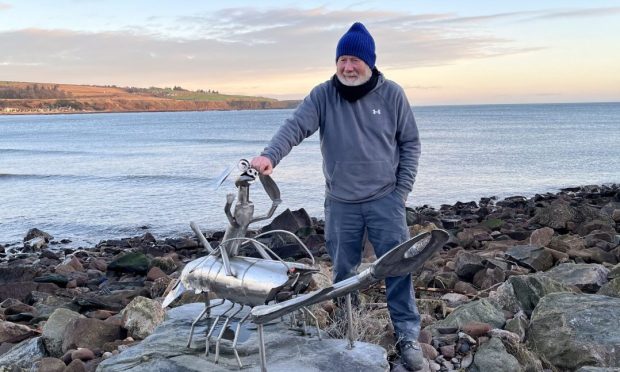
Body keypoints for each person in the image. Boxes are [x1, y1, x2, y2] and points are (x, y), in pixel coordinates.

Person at [251, 22, 424, 371]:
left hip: (385, 200)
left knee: (398, 269)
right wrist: (270, 156)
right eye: (342, 59)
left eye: (354, 60)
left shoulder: (392, 95)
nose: (347, 67)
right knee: (344, 272)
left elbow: (410, 143)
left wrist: (401, 191)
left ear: (370, 62)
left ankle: (407, 335)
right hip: (341, 202)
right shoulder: (323, 95)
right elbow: (295, 126)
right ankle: (348, 326)